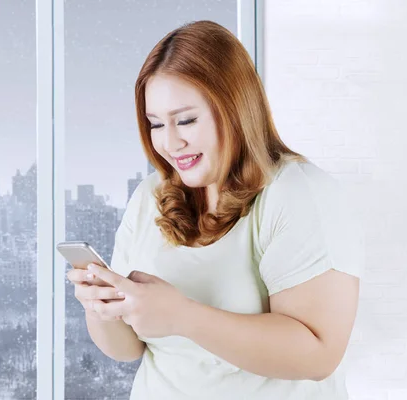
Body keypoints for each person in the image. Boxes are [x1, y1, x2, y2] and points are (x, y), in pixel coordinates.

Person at [67, 20, 363, 400]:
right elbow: (127, 350)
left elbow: (318, 354)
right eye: (156, 124)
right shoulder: (149, 197)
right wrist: (100, 307)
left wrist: (182, 316)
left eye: (186, 120)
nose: (170, 142)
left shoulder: (297, 193)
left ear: (236, 106)